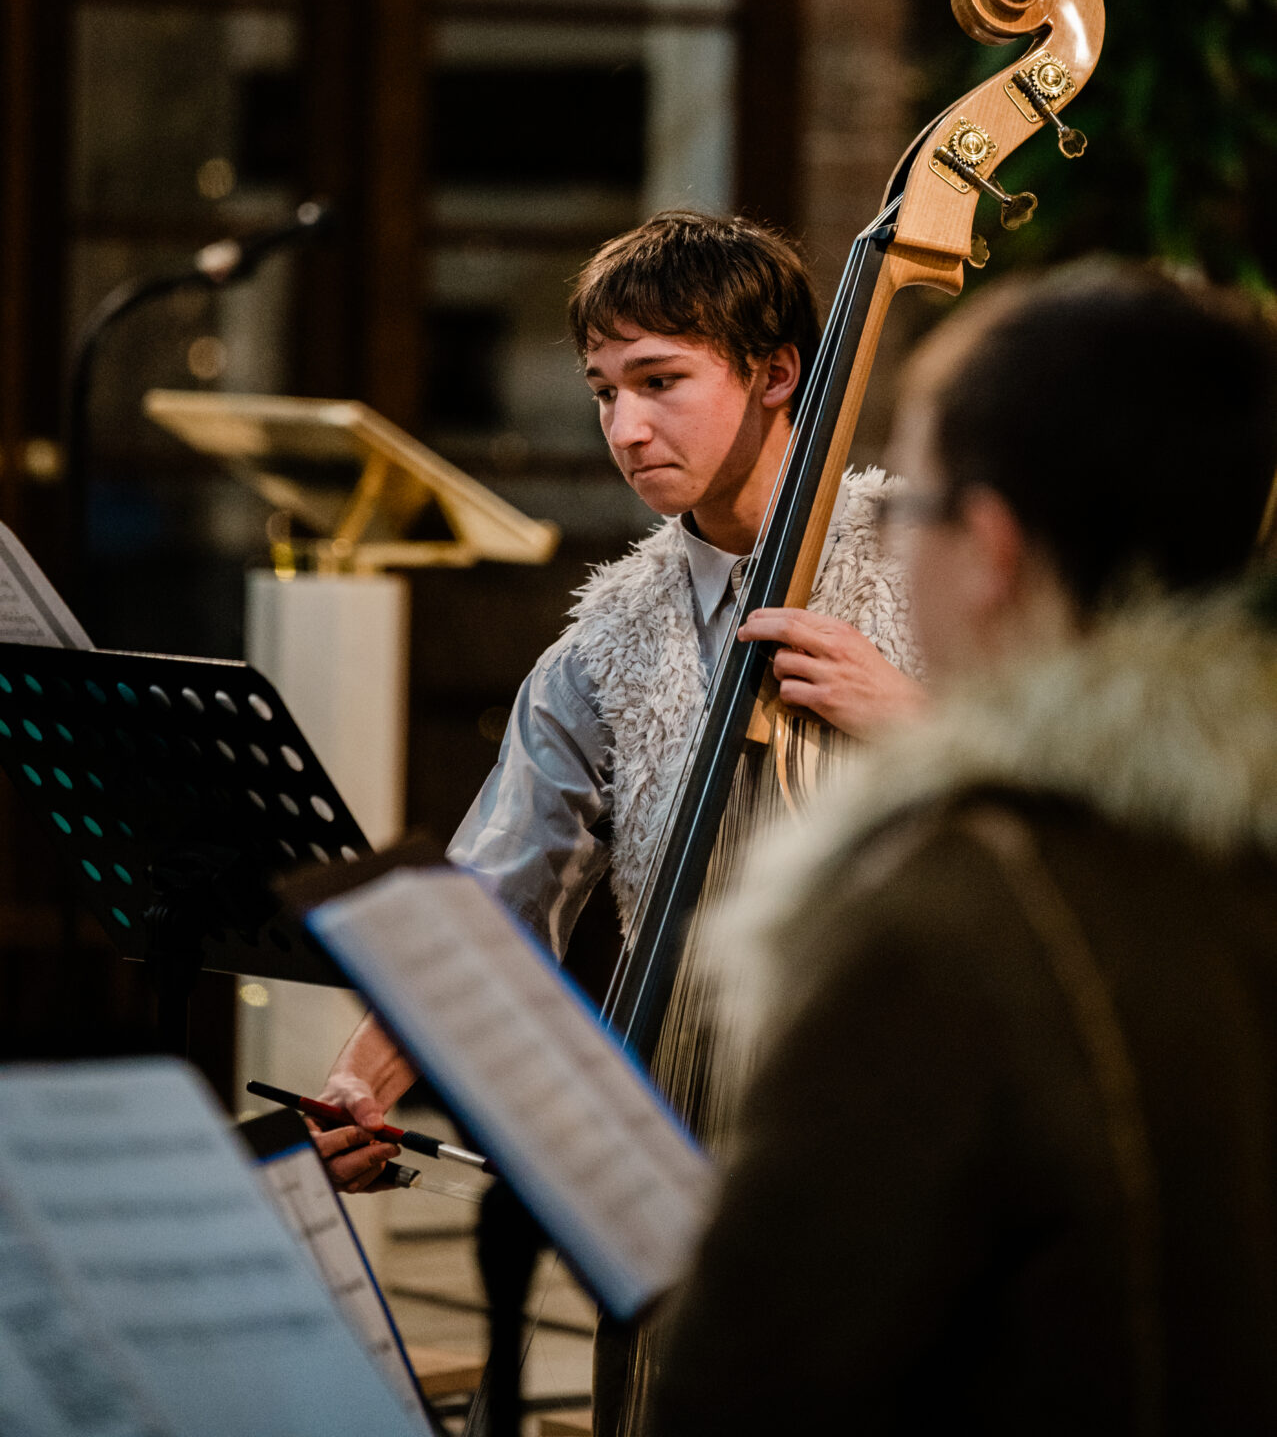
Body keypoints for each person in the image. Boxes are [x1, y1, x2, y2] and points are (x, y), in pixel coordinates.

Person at [653, 257, 1277, 1435]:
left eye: (909, 510)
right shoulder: (1232, 855)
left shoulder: (940, 924)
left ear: (986, 551)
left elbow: (747, 1387)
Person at [311, 210, 925, 1190]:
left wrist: (915, 725)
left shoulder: (935, 557)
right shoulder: (601, 646)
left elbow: (1109, 808)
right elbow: (490, 902)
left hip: (922, 1120)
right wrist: (360, 1082)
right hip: (688, 1133)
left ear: (775, 373)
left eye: (659, 381)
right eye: (603, 392)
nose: (625, 430)